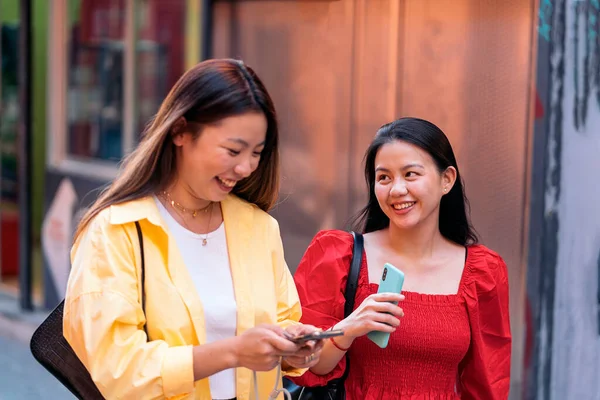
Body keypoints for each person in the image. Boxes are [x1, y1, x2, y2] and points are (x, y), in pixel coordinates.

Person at [63, 59, 323, 400]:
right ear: (180, 130)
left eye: (257, 153)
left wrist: (292, 347)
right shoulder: (115, 232)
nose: (245, 168)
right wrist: (232, 352)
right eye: (233, 150)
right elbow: (118, 369)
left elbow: (283, 318)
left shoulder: (258, 227)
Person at [291, 117, 511, 399]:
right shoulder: (337, 254)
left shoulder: (484, 272)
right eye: (384, 177)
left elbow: (488, 385)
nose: (396, 190)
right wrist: (349, 327)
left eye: (410, 174)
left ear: (447, 180)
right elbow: (307, 365)